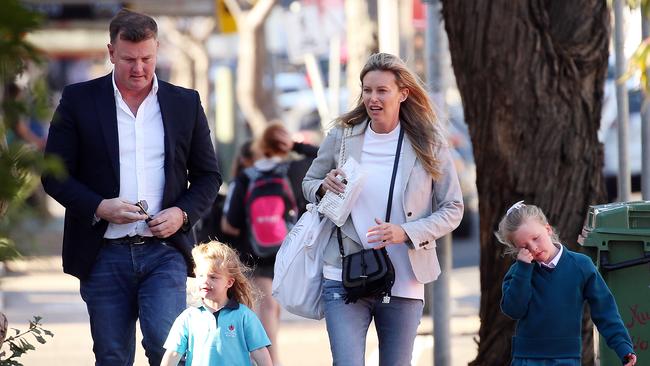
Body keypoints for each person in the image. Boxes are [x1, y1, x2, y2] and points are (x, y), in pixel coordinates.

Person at [41, 9, 221, 365]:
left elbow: (208, 176)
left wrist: (182, 213)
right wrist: (98, 207)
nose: (139, 68)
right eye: (128, 59)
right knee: (111, 355)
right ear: (111, 52)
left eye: (147, 59)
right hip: (101, 252)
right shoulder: (78, 100)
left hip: (164, 251)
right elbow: (53, 175)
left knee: (165, 347)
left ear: (157, 51)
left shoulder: (185, 103)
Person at [302, 52, 464, 365]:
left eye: (382, 91)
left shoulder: (428, 142)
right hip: (344, 270)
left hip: (404, 277)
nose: (373, 98)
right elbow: (309, 183)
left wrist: (406, 232)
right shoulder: (342, 135)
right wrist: (324, 185)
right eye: (367, 90)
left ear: (403, 94)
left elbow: (453, 207)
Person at [222, 122, 318, 365]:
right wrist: (297, 146)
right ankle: (271, 361)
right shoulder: (295, 170)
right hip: (288, 250)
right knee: (271, 310)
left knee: (265, 309)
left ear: (260, 145)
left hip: (255, 252)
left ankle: (267, 360)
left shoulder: (247, 177)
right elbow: (325, 156)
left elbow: (231, 223)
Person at [497, 201, 637, 366]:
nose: (533, 247)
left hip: (566, 358)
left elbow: (605, 310)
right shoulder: (518, 272)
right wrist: (523, 270)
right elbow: (514, 310)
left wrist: (623, 346)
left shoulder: (581, 265)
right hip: (526, 358)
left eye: (536, 238)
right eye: (524, 246)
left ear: (547, 229)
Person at [161, 241, 272, 366]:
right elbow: (173, 353)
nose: (205, 281)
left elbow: (260, 351)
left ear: (229, 283)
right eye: (201, 276)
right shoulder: (188, 317)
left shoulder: (244, 316)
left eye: (213, 277)